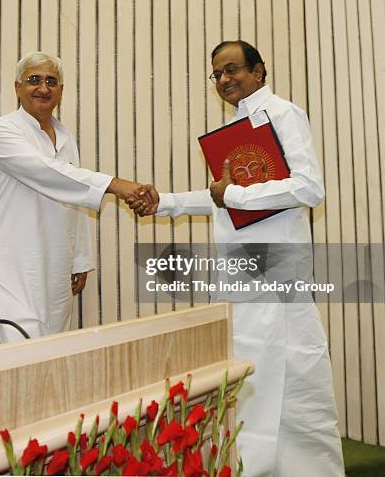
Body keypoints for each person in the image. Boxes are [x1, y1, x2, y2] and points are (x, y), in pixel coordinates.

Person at [128, 41, 345, 477]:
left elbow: (309, 188)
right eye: (218, 74)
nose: (225, 79)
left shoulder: (283, 114)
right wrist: (164, 202)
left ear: (259, 71)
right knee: (250, 375)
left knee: (293, 374)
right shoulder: (235, 126)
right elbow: (220, 200)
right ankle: (254, 466)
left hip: (277, 269)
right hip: (240, 271)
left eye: (233, 69)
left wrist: (235, 193)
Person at [0, 51, 151, 343]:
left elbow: (73, 198)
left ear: (61, 91)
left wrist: (79, 260)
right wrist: (115, 184)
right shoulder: (3, 130)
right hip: (12, 264)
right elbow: (49, 173)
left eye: (51, 81)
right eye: (34, 80)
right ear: (17, 87)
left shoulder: (65, 136)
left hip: (56, 265)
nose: (43, 88)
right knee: (23, 352)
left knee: (53, 354)